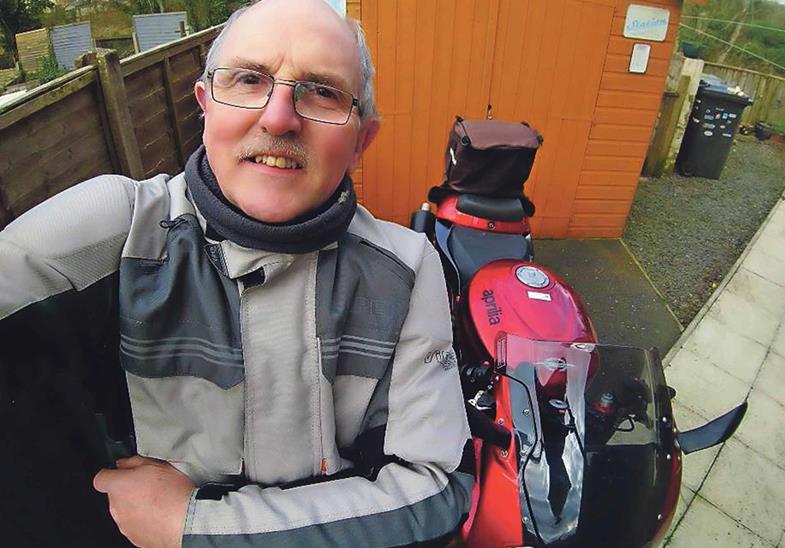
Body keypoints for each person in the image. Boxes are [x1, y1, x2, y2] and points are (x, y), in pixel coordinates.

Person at [0, 0, 472, 546]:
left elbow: (435, 489)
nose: (277, 117)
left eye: (321, 91)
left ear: (361, 140)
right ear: (205, 105)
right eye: (249, 79)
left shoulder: (406, 270)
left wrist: (198, 527)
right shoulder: (116, 232)